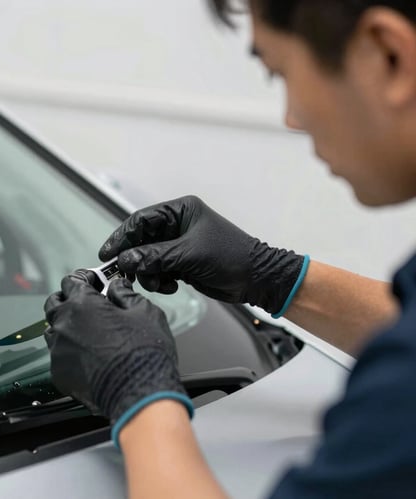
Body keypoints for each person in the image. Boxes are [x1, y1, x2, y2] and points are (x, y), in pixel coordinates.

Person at [42, 1, 416, 497]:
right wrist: (276, 276)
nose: (292, 118)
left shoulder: (398, 402)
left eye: (279, 72)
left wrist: (138, 395)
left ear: (387, 55)